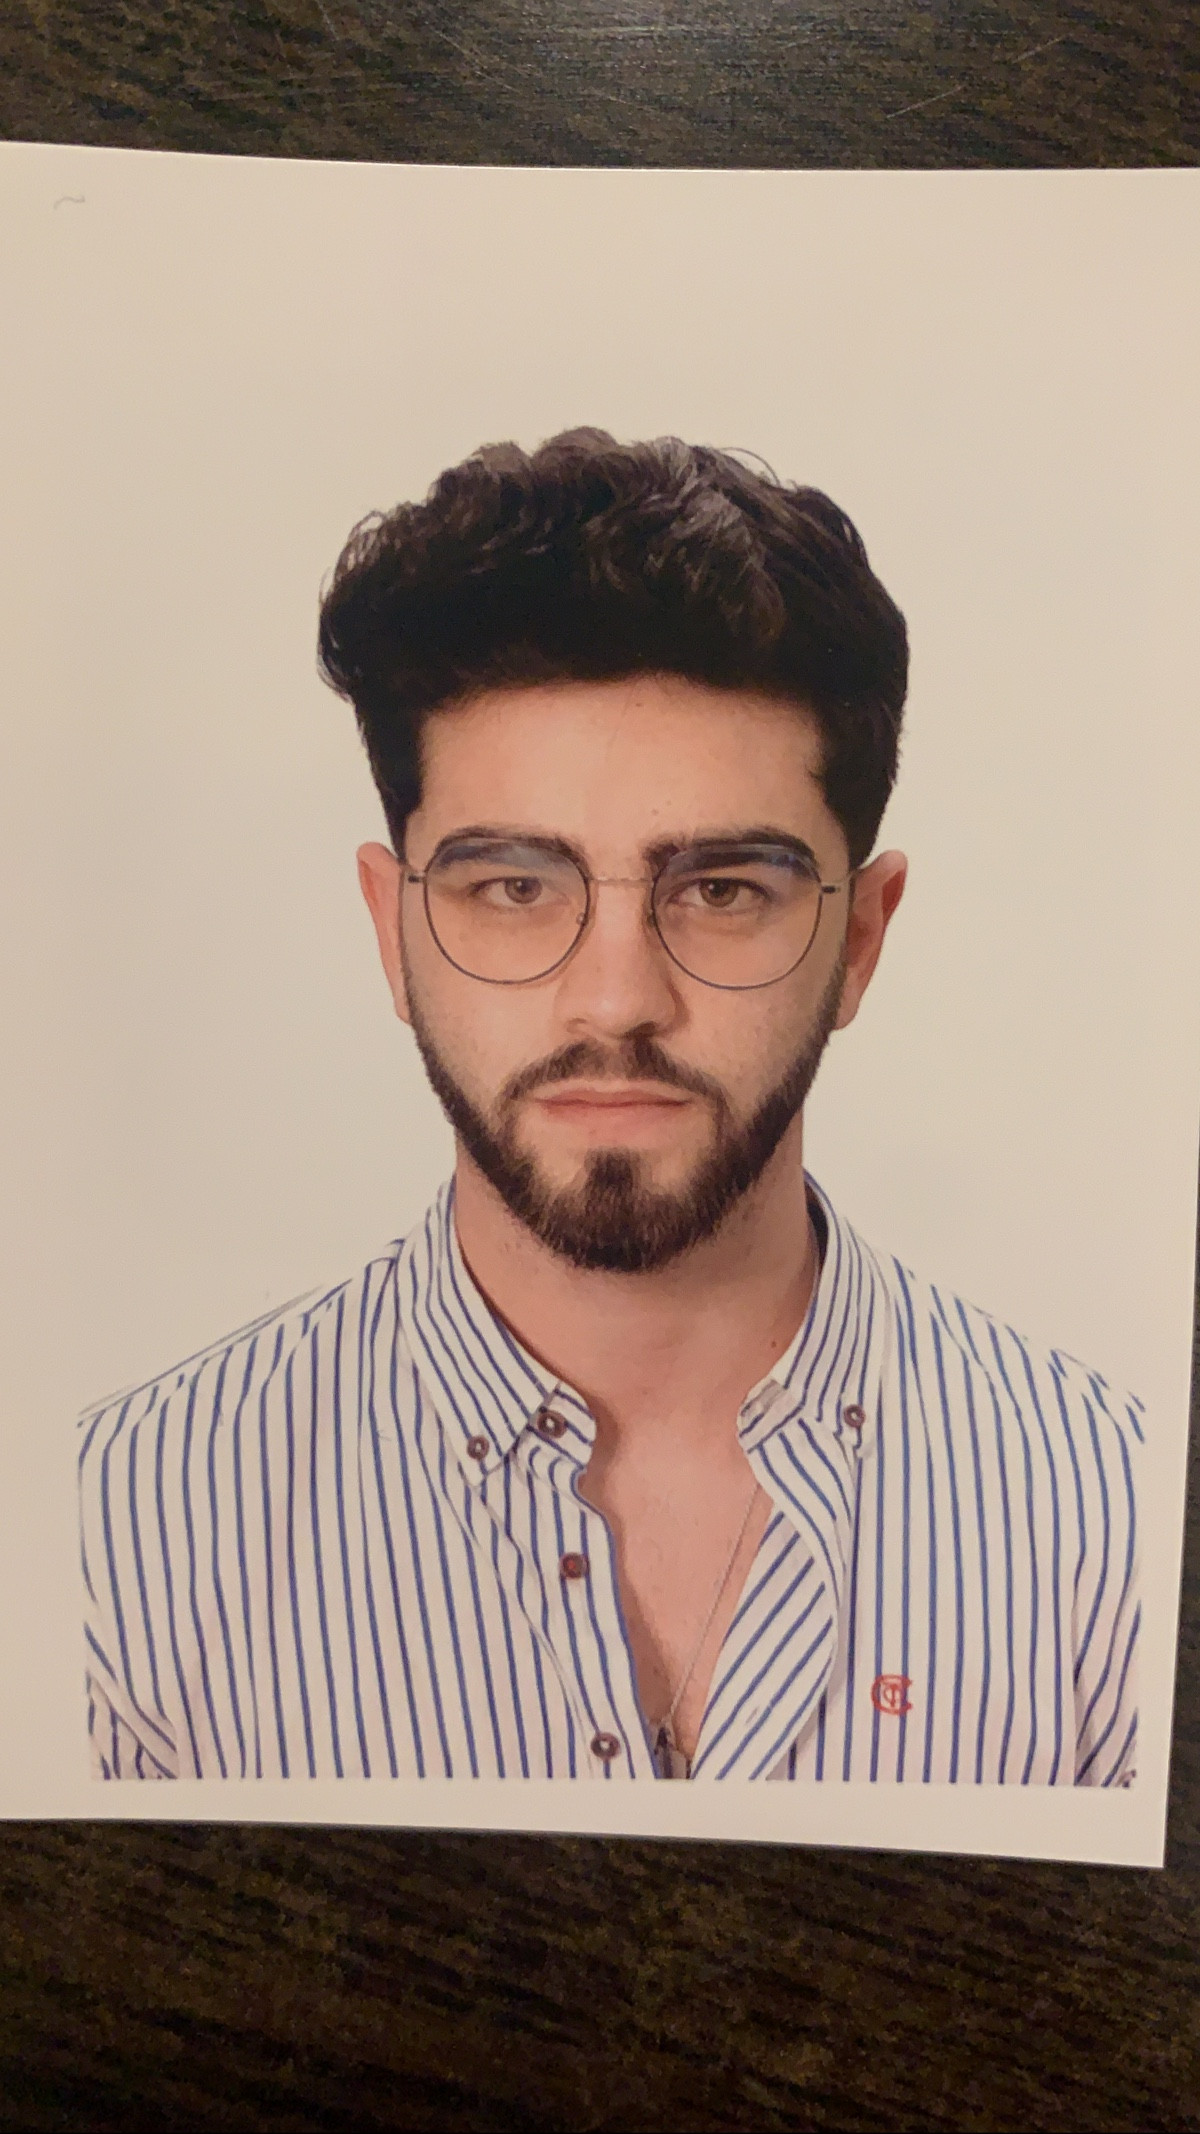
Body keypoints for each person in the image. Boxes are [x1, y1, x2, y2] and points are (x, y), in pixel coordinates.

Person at [78, 430, 1139, 1785]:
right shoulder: (115, 1545)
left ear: (862, 939)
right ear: (392, 933)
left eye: (723, 889)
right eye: (515, 887)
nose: (615, 1001)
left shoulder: (1114, 1522)